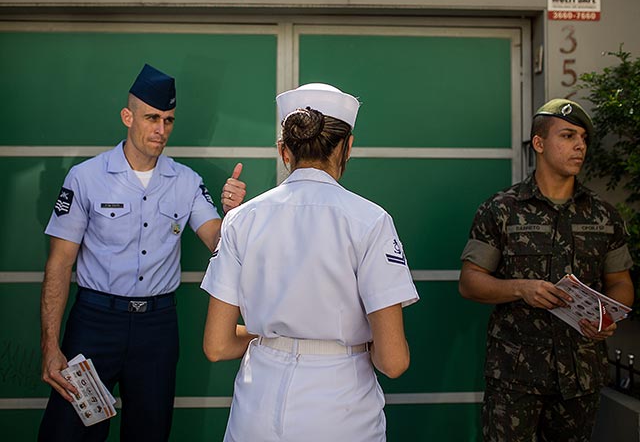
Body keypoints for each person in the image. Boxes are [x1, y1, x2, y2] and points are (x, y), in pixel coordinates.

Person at [38, 63, 246, 441]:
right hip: (95, 324)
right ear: (127, 116)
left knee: (149, 434)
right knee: (67, 434)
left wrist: (232, 214)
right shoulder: (85, 178)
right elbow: (59, 263)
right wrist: (50, 346)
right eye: (152, 118)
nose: (161, 130)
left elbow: (217, 240)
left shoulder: (186, 181)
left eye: (168, 120)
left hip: (157, 329)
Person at [200, 83, 419, 441]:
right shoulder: (370, 220)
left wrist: (277, 333)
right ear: (347, 146)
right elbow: (393, 361)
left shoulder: (241, 219)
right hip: (342, 411)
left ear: (284, 151)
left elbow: (217, 345)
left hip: (256, 408)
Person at [459, 98, 634, 441]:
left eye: (583, 138)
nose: (579, 145)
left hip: (581, 374)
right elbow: (470, 282)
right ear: (539, 143)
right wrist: (520, 288)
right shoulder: (501, 209)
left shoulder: (604, 215)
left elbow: (621, 283)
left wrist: (607, 318)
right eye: (568, 136)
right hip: (515, 375)